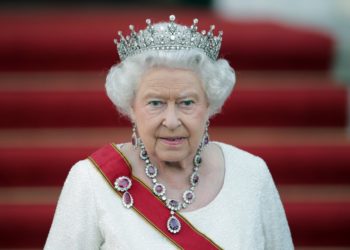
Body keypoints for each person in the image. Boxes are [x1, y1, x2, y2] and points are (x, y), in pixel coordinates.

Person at [45, 15, 293, 249]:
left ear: (209, 105)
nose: (172, 121)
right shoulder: (92, 181)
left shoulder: (251, 175)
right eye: (155, 103)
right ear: (131, 107)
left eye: (186, 103)